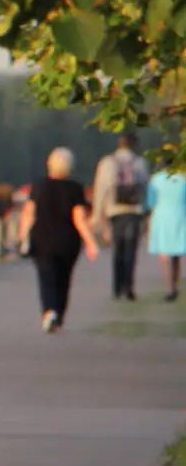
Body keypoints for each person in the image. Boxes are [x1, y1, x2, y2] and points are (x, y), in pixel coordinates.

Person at [19, 147, 99, 332]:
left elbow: (28, 214)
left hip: (42, 239)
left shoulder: (39, 186)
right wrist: (90, 242)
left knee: (46, 277)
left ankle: (49, 311)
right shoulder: (75, 188)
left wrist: (23, 236)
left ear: (50, 165)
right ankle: (59, 314)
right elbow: (79, 218)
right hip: (67, 241)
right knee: (64, 278)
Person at [91, 132, 149, 300]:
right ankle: (129, 287)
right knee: (131, 250)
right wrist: (146, 211)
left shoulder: (107, 162)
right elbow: (145, 188)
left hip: (115, 211)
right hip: (134, 211)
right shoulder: (140, 163)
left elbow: (101, 189)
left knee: (118, 249)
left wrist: (97, 214)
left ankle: (117, 287)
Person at [145, 165, 186, 301]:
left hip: (161, 216)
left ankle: (169, 288)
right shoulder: (183, 178)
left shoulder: (156, 179)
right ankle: (174, 285)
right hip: (180, 215)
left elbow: (151, 202)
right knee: (176, 254)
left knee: (165, 255)